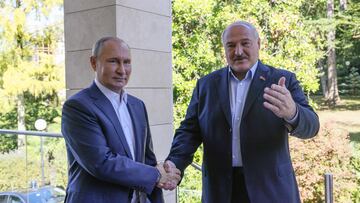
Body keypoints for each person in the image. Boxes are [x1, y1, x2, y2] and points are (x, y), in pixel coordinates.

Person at [165, 21, 320, 203]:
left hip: (271, 191)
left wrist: (293, 112)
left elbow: (312, 126)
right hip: (220, 192)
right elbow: (189, 132)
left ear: (258, 44)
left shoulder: (281, 80)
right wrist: (175, 164)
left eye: (245, 43)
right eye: (231, 45)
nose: (238, 51)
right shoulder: (206, 85)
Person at [61, 37, 180, 203]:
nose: (122, 70)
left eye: (127, 62)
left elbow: (147, 159)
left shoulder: (137, 105)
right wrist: (156, 175)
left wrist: (165, 172)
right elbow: (101, 162)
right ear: (94, 63)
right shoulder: (78, 107)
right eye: (113, 61)